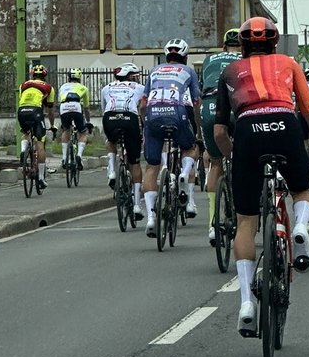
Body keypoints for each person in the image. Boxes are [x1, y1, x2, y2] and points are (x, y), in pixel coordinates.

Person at [213, 17, 309, 336]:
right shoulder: (289, 64)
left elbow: (220, 130)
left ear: (244, 45)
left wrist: (236, 158)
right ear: (273, 43)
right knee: (302, 190)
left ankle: (247, 303)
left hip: (248, 130)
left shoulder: (229, 71)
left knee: (245, 221)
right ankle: (300, 227)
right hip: (285, 124)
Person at [139, 38, 202, 233]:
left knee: (152, 166)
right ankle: (184, 173)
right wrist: (197, 128)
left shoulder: (154, 71)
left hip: (153, 114)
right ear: (185, 57)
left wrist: (145, 124)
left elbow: (142, 104)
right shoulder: (189, 71)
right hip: (177, 113)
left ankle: (151, 217)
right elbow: (196, 102)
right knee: (191, 148)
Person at [200, 28, 242, 243]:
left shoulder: (209, 59)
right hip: (236, 105)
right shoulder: (246, 59)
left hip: (210, 106)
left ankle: (213, 225)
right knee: (245, 159)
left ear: (224, 45)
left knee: (215, 163)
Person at [100, 64, 147, 216]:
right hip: (129, 118)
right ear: (129, 76)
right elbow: (143, 108)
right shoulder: (139, 87)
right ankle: (136, 205)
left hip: (110, 117)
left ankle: (112, 170)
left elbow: (103, 108)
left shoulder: (106, 87)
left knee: (111, 141)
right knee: (134, 162)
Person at [17, 64, 56, 190]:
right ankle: (40, 178)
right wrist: (52, 125)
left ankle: (23, 150)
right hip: (36, 112)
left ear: (32, 75)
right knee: (40, 143)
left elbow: (22, 100)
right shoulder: (48, 87)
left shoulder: (23, 85)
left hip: (22, 111)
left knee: (26, 132)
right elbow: (50, 110)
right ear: (45, 76)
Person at [57, 67, 92, 172]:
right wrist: (88, 121)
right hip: (76, 107)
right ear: (79, 78)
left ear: (68, 77)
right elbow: (86, 108)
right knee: (83, 133)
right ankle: (79, 156)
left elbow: (60, 102)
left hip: (64, 107)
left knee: (66, 130)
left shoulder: (62, 87)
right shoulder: (83, 88)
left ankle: (64, 158)